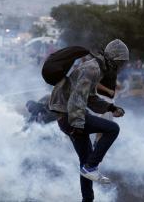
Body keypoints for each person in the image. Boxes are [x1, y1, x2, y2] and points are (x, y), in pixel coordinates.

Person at [49, 39, 128, 202]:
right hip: (70, 117)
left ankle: (87, 197)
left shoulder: (95, 68)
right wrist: (78, 126)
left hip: (70, 116)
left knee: (85, 164)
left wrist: (111, 108)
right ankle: (92, 166)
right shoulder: (92, 69)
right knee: (113, 129)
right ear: (113, 59)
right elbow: (77, 98)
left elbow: (89, 97)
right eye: (120, 63)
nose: (120, 67)